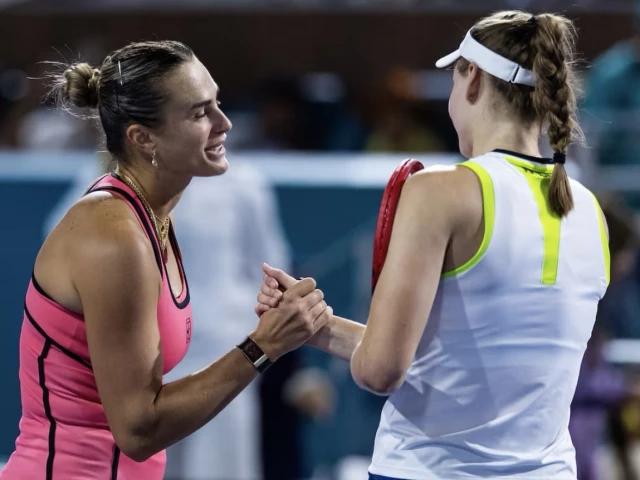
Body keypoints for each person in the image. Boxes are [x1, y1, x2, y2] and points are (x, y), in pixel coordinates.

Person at [256, 10, 610, 480]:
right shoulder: (589, 210)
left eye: (454, 78)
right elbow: (440, 358)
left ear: (473, 79)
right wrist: (316, 327)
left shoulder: (439, 191)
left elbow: (380, 371)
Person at [0, 40, 330, 480]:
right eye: (199, 113)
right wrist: (263, 346)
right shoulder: (114, 235)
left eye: (217, 104)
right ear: (143, 138)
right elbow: (139, 430)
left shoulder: (150, 217)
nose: (225, 123)